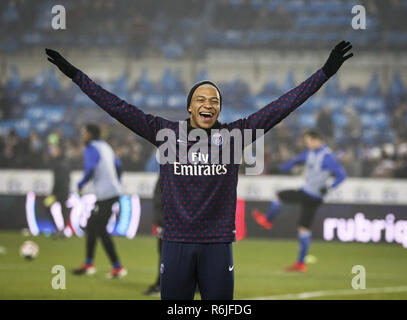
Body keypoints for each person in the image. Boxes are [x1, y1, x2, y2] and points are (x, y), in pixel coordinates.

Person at [45, 41, 353, 299]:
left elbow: (282, 106)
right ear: (190, 107)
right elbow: (116, 106)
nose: (209, 103)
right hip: (176, 241)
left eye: (215, 100)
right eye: (201, 99)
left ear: (219, 108)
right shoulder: (165, 133)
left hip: (217, 244)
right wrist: (74, 74)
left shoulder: (235, 136)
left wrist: (324, 73)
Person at [252, 129, 347, 272]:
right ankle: (301, 263)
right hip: (314, 197)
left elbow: (342, 175)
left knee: (279, 196)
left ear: (317, 140)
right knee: (304, 229)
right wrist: (279, 169)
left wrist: (329, 187)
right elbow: (295, 162)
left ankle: (268, 220)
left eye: (308, 141)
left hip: (309, 194)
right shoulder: (310, 153)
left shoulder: (327, 157)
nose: (306, 144)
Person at [72, 124, 127, 279]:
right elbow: (119, 165)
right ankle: (93, 264)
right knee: (95, 227)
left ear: (89, 134)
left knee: (96, 228)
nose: (82, 136)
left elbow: (90, 168)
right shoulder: (106, 147)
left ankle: (115, 267)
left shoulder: (91, 148)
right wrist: (117, 182)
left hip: (105, 194)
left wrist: (80, 185)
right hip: (112, 192)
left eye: (83, 133)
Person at [143, 177, 164, 296]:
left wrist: (160, 221)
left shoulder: (168, 175)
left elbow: (160, 200)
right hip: (168, 220)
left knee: (164, 253)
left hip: (167, 221)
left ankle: (161, 285)